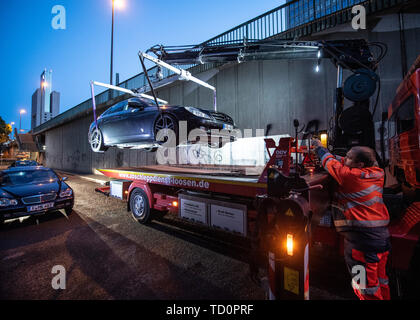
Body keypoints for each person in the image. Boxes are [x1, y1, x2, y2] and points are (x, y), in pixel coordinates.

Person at [312, 139, 391, 300]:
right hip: (380, 241)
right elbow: (341, 161)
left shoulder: (350, 177)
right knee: (380, 282)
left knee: (365, 289)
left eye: (349, 158)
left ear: (360, 164)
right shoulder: (377, 172)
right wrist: (333, 154)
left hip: (362, 245)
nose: (345, 159)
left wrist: (320, 150)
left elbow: (333, 165)